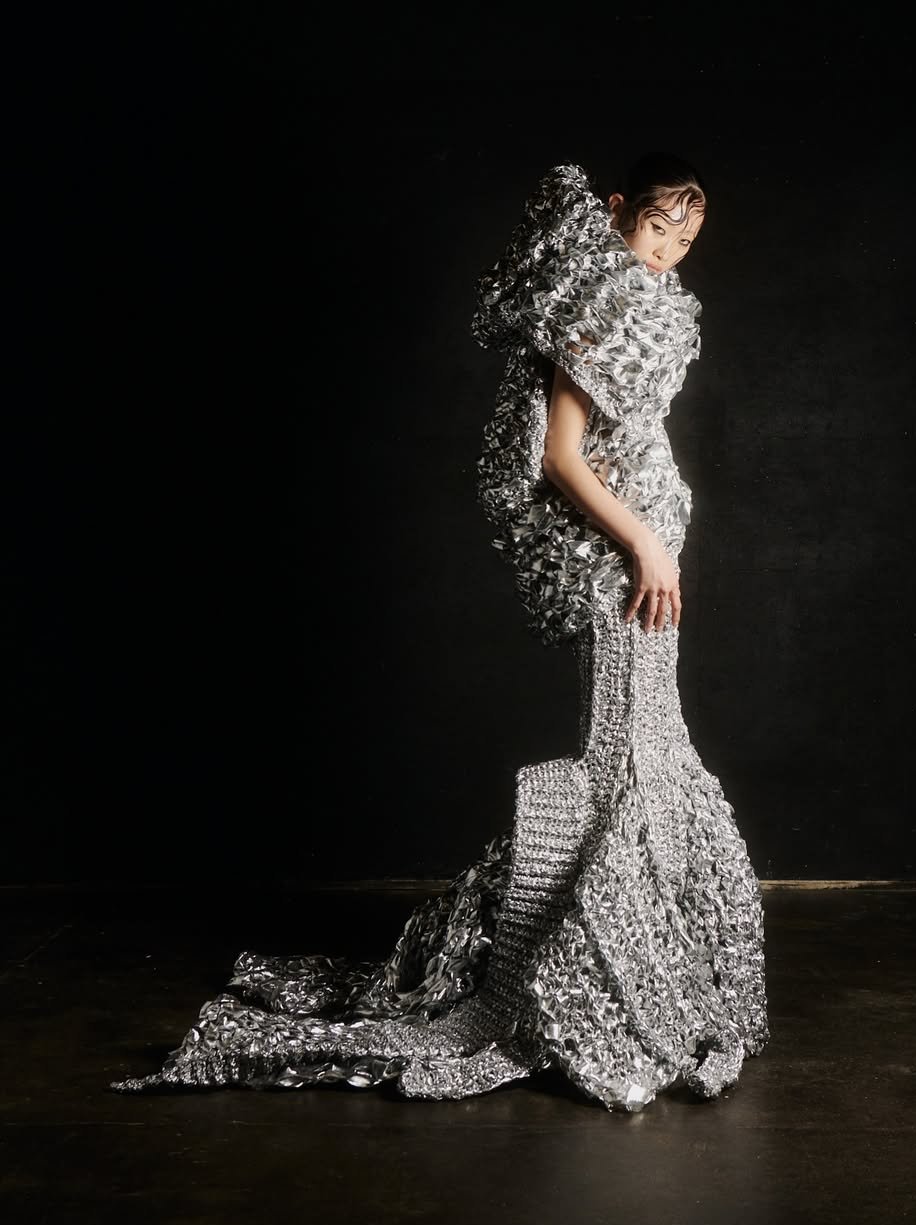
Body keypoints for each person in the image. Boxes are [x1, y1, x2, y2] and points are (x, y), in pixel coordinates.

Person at [109, 155, 771, 1113]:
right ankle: (582, 986)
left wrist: (663, 527)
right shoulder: (585, 304)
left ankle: (642, 975)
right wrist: (643, 545)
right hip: (618, 565)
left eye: (684, 239)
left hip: (646, 553)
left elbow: (632, 438)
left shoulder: (652, 308)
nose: (668, 251)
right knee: (623, 756)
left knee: (649, 749)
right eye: (655, 228)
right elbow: (559, 457)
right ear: (616, 212)